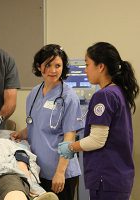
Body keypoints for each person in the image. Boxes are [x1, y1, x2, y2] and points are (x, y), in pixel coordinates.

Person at [58, 42, 139, 200]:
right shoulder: (118, 91)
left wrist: (71, 147)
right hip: (118, 177)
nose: (85, 70)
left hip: (106, 178)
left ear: (100, 67)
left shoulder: (104, 96)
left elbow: (97, 140)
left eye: (87, 64)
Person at [11, 44, 84, 200]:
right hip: (38, 171)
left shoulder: (68, 97)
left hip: (60, 173)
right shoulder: (34, 93)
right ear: (39, 67)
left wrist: (60, 173)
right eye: (48, 65)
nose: (53, 70)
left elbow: (69, 139)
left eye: (58, 66)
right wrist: (20, 134)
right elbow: (35, 124)